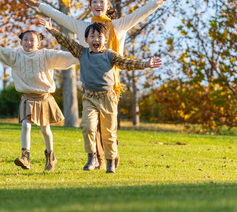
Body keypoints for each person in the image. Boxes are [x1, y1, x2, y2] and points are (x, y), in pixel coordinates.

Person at [20, 0, 178, 168]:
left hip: (111, 83)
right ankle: (98, 159)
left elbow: (141, 13)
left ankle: (111, 154)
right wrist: (38, 5)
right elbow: (58, 16)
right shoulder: (82, 27)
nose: (98, 5)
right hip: (89, 82)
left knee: (106, 127)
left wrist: (161, 0)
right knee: (90, 125)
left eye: (102, 2)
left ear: (108, 6)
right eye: (94, 2)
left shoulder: (119, 25)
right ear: (90, 6)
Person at [38, 18, 162, 173]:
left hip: (108, 98)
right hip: (89, 97)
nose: (96, 39)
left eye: (99, 36)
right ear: (86, 39)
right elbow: (67, 41)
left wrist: (144, 64)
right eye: (92, 36)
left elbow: (126, 63)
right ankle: (92, 156)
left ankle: (110, 161)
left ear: (105, 39)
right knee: (88, 127)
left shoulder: (110, 55)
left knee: (109, 132)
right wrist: (51, 29)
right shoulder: (81, 52)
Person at [0, 30, 78, 171]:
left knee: (45, 130)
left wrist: (85, 54)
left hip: (44, 97)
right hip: (27, 98)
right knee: (26, 125)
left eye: (32, 40)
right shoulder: (16, 57)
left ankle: (50, 156)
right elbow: (0, 50)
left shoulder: (46, 55)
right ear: (21, 43)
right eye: (25, 40)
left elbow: (65, 57)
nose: (28, 42)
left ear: (38, 43)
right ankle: (25, 157)